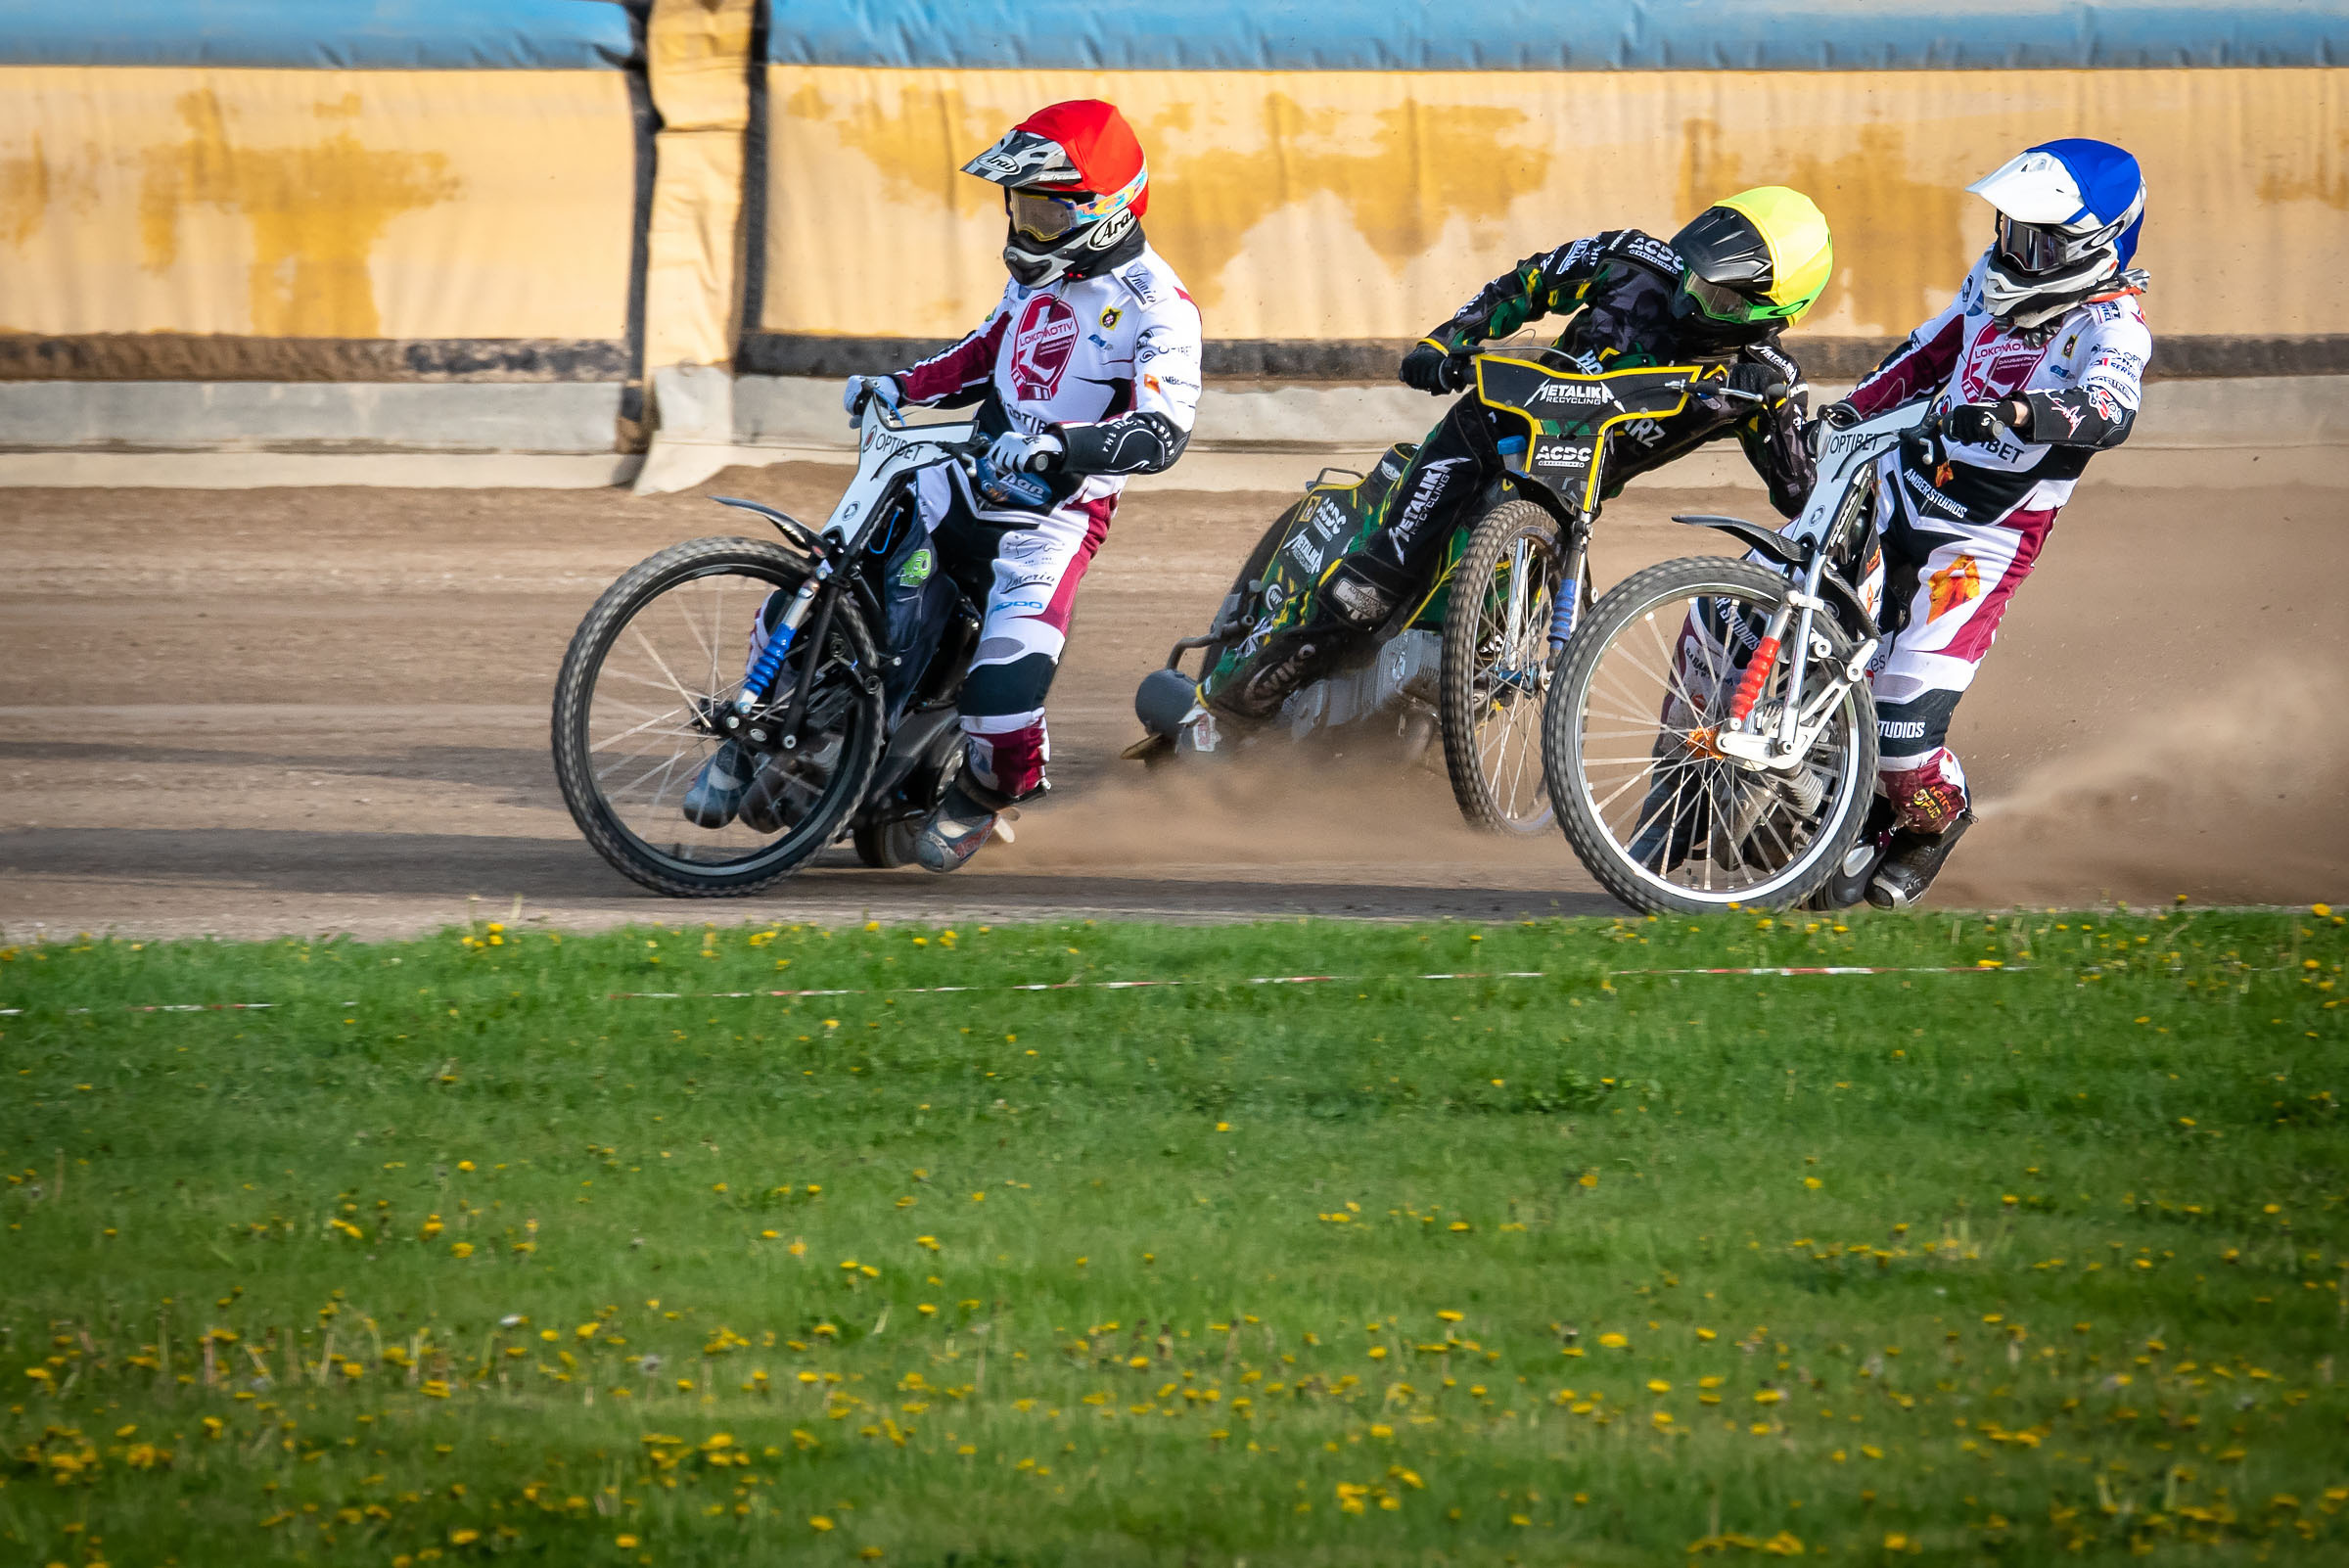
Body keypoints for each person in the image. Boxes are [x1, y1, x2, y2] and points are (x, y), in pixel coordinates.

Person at [682, 99, 1203, 871]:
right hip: (955, 484)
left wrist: (1056, 446)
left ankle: (984, 798)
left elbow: (1162, 436)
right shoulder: (1040, 276)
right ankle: (753, 721)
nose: (1024, 227)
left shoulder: (1162, 309)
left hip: (1047, 526)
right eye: (1018, 206)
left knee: (1004, 713)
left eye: (1043, 212)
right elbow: (983, 350)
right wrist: (900, 385)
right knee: (824, 576)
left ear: (1106, 208)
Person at [1201, 187, 1833, 720]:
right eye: (1692, 273)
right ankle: (1258, 679)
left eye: (1718, 298)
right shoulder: (1632, 257)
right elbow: (1529, 283)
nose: (1690, 297)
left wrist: (1803, 427)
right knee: (1371, 590)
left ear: (1776, 313)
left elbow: (1802, 495)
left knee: (1489, 660)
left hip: (1565, 499)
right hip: (1489, 427)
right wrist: (1447, 339)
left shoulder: (1765, 381)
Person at [1819, 138, 2150, 906]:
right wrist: (1849, 411)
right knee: (1775, 624)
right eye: (2009, 230)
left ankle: (1936, 821)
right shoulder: (1987, 282)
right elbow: (1928, 353)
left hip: (1982, 542)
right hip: (1899, 490)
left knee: (1901, 741)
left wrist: (2020, 413)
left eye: (2037, 240)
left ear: (2096, 246)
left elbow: (2110, 409)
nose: (2014, 251)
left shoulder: (2115, 327)